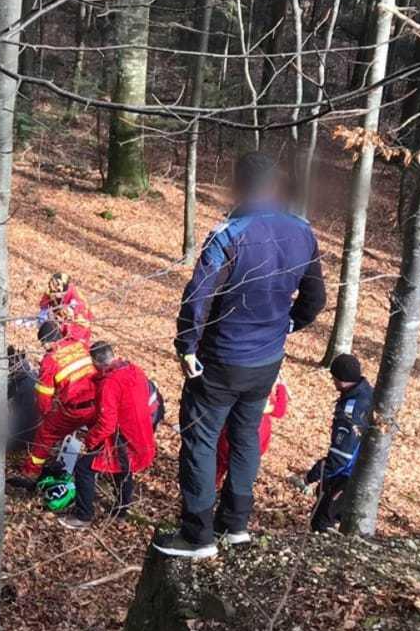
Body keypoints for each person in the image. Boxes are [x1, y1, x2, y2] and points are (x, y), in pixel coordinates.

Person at [155, 152, 326, 559]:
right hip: (266, 361)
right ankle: (236, 526)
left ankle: (198, 536)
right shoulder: (303, 233)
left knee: (201, 440)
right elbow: (315, 298)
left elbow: (198, 297)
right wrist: (289, 325)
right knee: (246, 435)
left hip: (220, 360)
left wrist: (187, 346)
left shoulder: (230, 234)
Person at [58, 342, 158, 530]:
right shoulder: (134, 369)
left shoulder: (110, 384)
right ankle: (121, 511)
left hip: (122, 436)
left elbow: (107, 423)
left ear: (95, 362)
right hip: (141, 431)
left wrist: (90, 441)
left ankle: (83, 516)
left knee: (85, 468)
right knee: (124, 470)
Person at [304, 354, 373, 532]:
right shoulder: (367, 393)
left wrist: (314, 475)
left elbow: (340, 456)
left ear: (340, 379)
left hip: (348, 476)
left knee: (321, 521)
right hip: (353, 472)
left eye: (333, 377)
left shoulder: (350, 412)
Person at [25, 318, 97, 473]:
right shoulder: (79, 345)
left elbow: (44, 396)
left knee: (46, 434)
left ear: (48, 342)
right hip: (98, 404)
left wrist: (46, 414)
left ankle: (31, 470)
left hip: (75, 410)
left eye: (43, 344)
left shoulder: (50, 361)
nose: (44, 348)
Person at [216, 379, 289, 487]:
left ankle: (211, 487)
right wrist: (281, 387)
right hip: (255, 443)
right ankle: (231, 492)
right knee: (240, 470)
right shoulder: (266, 396)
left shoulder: (238, 387)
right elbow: (280, 411)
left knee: (221, 463)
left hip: (230, 437)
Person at [38, 272, 93, 343]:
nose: (52, 293)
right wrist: (44, 314)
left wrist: (61, 325)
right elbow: (44, 303)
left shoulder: (77, 303)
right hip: (59, 326)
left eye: (55, 292)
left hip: (76, 335)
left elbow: (80, 328)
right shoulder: (52, 291)